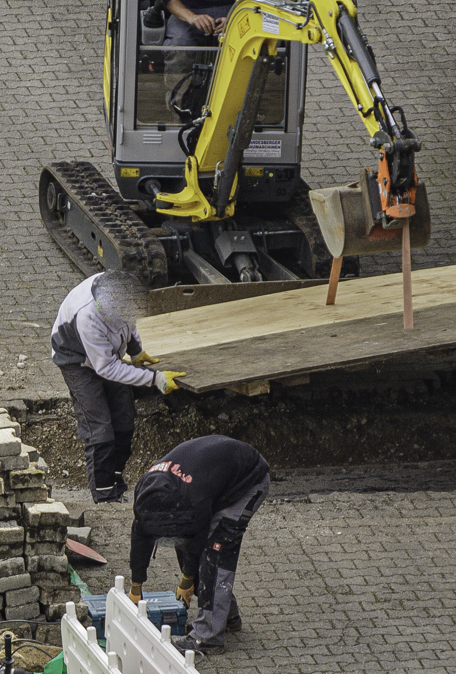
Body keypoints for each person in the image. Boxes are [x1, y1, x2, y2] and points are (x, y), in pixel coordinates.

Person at [48, 270, 186, 503]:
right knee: (99, 427)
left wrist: (136, 350)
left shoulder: (122, 291)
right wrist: (155, 379)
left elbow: (128, 325)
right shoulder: (88, 316)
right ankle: (104, 496)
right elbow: (107, 369)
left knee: (124, 421)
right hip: (76, 360)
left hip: (107, 354)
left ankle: (115, 481)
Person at [128, 434, 270, 655]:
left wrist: (187, 581)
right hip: (213, 479)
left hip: (248, 480)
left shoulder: (193, 500)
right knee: (188, 543)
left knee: (216, 553)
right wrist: (135, 587)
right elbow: (140, 536)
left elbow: (195, 542)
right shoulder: (145, 492)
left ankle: (208, 636)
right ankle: (227, 617)